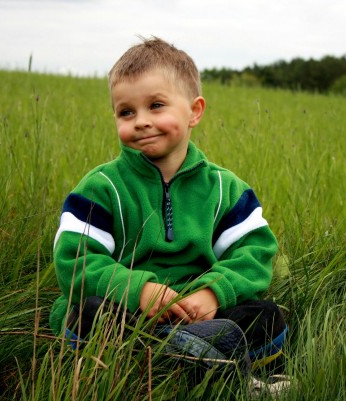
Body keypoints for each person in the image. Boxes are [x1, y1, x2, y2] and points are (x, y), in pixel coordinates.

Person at [49, 36, 287, 379]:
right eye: (126, 112)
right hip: (129, 313)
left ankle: (175, 358)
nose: (141, 120)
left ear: (194, 111)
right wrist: (138, 290)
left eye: (156, 106)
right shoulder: (102, 188)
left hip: (201, 314)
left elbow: (255, 253)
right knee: (90, 313)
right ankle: (196, 362)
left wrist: (213, 293)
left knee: (266, 316)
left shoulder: (224, 189)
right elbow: (75, 261)